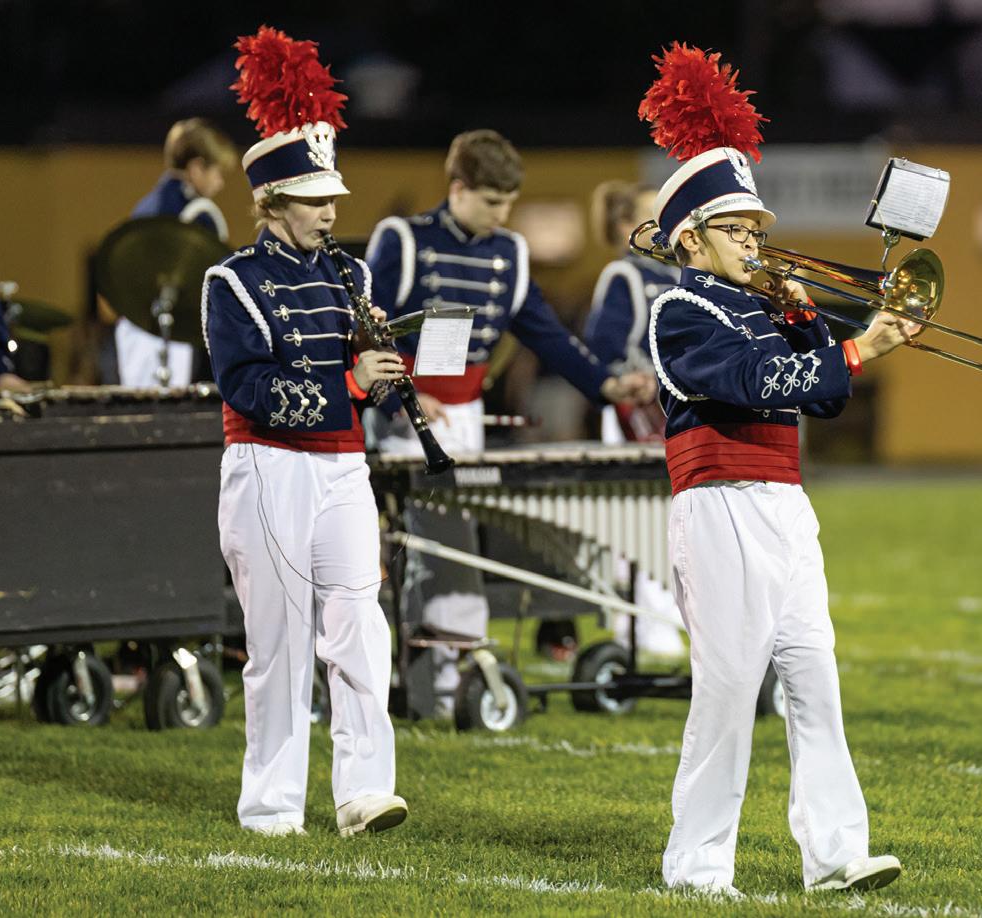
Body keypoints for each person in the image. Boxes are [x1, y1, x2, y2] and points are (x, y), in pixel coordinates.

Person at [640, 43, 911, 893]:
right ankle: (696, 865)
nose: (756, 243)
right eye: (738, 229)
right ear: (691, 237)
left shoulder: (762, 309)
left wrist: (814, 326)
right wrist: (855, 347)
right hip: (721, 505)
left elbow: (822, 399)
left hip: (786, 504)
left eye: (758, 229)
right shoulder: (679, 310)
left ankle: (834, 855)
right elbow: (753, 384)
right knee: (728, 692)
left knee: (814, 678)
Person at [364, 129, 654, 711]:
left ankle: (438, 678)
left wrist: (605, 384)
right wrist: (402, 399)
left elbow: (547, 336)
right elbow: (367, 330)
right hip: (404, 416)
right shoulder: (404, 240)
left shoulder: (510, 253)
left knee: (449, 546)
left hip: (465, 417)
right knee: (439, 544)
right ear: (458, 188)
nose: (501, 215)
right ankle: (439, 677)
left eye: (508, 203)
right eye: (491, 201)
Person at [204, 25, 407, 837]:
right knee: (280, 642)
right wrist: (349, 385)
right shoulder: (233, 282)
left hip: (343, 465)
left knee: (360, 624)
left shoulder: (352, 273)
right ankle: (271, 805)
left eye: (332, 199)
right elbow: (247, 386)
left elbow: (364, 383)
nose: (331, 211)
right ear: (272, 201)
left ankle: (363, 792)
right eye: (316, 199)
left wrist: (386, 377)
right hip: (270, 465)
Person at [584, 180, 685, 657]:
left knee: (675, 518)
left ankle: (666, 611)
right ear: (627, 225)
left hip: (674, 413)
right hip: (630, 415)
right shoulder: (623, 276)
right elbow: (601, 350)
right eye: (652, 217)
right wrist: (632, 377)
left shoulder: (681, 275)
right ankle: (640, 622)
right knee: (638, 521)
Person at [116, 118, 238, 387]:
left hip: (138, 328)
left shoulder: (151, 203)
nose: (220, 183)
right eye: (217, 173)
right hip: (155, 333)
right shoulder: (183, 214)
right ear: (196, 168)